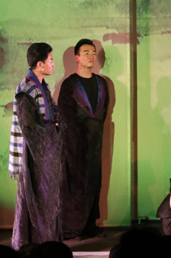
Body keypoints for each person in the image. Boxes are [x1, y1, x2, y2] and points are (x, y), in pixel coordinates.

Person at [9, 43, 62, 249]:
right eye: (50, 60)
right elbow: (29, 126)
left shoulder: (41, 85)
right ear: (40, 64)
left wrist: (56, 124)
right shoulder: (27, 89)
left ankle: (47, 241)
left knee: (47, 198)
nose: (53, 64)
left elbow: (52, 112)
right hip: (32, 154)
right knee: (35, 198)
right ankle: (33, 244)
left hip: (45, 152)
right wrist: (51, 129)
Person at [58, 39, 110, 239]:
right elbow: (65, 115)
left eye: (93, 53)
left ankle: (89, 226)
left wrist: (94, 128)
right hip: (74, 144)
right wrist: (84, 128)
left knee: (94, 183)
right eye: (86, 52)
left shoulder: (101, 83)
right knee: (76, 184)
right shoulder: (70, 84)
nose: (91, 56)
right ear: (77, 57)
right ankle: (72, 228)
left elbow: (104, 110)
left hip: (95, 143)